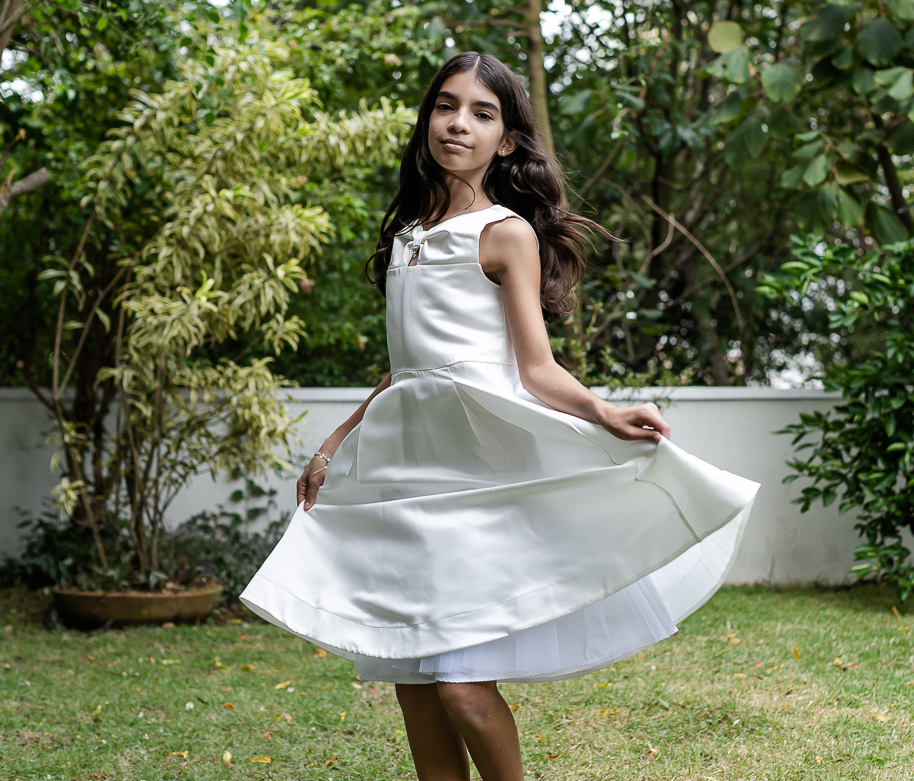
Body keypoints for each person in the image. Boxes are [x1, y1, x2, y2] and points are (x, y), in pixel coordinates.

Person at [240, 51, 758, 781]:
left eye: (483, 113)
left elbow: (536, 368)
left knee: (460, 683)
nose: (459, 123)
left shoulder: (505, 231)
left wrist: (605, 412)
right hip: (402, 469)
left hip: (478, 465)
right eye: (446, 105)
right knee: (414, 683)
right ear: (426, 118)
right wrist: (333, 441)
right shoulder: (406, 236)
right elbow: (406, 367)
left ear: (507, 140)